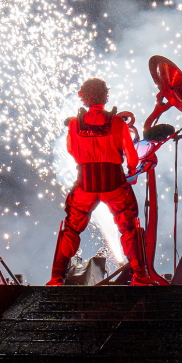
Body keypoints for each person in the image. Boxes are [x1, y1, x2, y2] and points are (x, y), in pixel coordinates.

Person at [50, 78, 154, 284]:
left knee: (71, 228)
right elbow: (132, 159)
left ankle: (56, 277)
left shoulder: (73, 124)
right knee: (128, 228)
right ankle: (140, 276)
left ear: (83, 96)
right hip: (114, 184)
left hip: (85, 184)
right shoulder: (117, 123)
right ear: (105, 96)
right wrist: (132, 168)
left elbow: (71, 151)